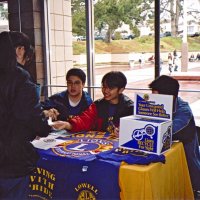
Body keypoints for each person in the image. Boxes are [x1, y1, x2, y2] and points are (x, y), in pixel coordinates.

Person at [0, 31, 51, 198]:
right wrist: (45, 124)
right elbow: (32, 118)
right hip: (12, 159)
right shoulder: (20, 77)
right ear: (20, 50)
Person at [149, 75, 200, 196]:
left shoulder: (184, 110)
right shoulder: (153, 104)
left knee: (191, 170)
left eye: (157, 97)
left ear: (171, 96)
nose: (154, 101)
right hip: (165, 146)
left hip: (186, 146)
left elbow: (170, 129)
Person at [51, 71, 133, 135]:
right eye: (104, 86)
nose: (105, 91)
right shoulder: (97, 105)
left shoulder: (130, 108)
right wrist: (67, 124)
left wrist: (125, 132)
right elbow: (84, 119)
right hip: (101, 147)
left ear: (121, 90)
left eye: (110, 88)